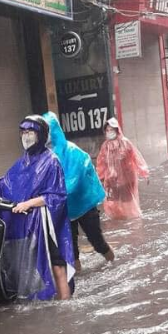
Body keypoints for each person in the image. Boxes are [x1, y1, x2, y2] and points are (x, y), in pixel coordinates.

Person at [0, 115, 74, 301]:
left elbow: (57, 196)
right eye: (23, 132)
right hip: (24, 224)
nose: (26, 136)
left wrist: (29, 203)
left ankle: (66, 305)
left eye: (31, 132)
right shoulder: (21, 163)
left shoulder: (52, 161)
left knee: (56, 263)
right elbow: (2, 185)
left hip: (45, 222)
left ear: (40, 134)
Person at [43, 112, 114, 272]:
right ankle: (79, 280)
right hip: (64, 209)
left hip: (84, 206)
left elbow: (75, 179)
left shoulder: (71, 151)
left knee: (97, 242)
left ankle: (114, 263)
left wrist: (53, 195)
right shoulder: (43, 156)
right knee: (71, 250)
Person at [96, 118, 149, 220]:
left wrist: (144, 172)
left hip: (127, 179)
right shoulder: (105, 146)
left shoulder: (125, 143)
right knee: (113, 204)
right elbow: (101, 164)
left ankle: (131, 222)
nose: (109, 132)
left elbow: (136, 158)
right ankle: (118, 222)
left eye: (111, 130)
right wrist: (99, 178)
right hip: (112, 181)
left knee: (128, 206)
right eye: (107, 130)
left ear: (117, 130)